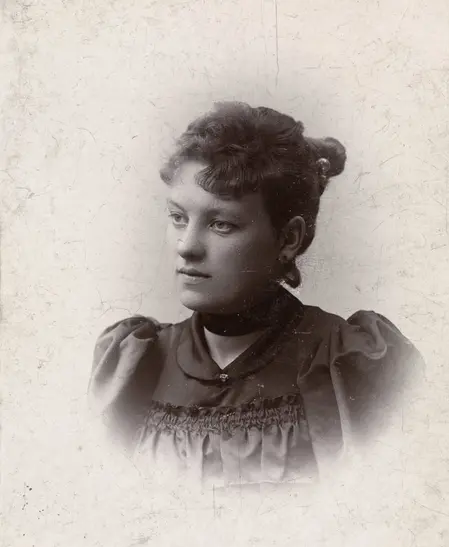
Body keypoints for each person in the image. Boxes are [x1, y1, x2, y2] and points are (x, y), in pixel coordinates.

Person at [88, 101, 423, 488]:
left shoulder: (350, 363)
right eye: (178, 217)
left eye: (221, 224)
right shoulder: (134, 364)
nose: (187, 246)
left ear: (288, 239)